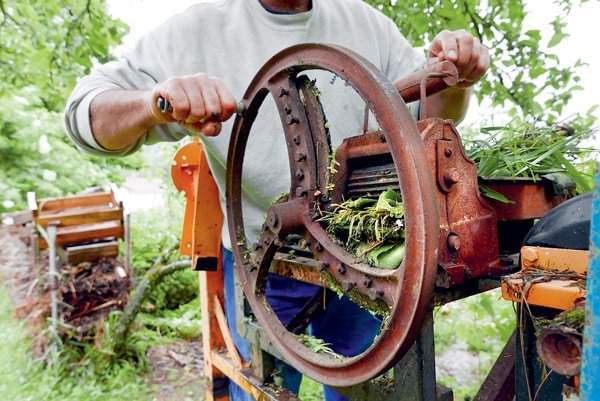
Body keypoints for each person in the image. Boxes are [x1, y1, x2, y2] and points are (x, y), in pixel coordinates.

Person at [65, 0, 489, 400]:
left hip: (364, 259)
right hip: (265, 265)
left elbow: (429, 117)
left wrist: (458, 76)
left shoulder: (365, 22)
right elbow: (85, 113)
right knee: (262, 388)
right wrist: (152, 103)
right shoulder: (195, 31)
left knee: (365, 388)